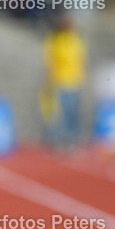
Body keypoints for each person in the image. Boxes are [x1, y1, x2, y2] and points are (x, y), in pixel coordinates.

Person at [43, 12, 87, 149]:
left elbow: (81, 60)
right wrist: (49, 80)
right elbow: (50, 61)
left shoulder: (76, 40)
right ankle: (59, 139)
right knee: (63, 113)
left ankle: (73, 139)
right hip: (61, 81)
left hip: (76, 81)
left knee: (74, 113)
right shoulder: (56, 40)